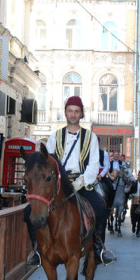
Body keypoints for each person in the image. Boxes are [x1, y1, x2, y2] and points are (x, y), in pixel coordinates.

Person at [29, 95, 116, 266]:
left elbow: (93, 165)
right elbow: (48, 163)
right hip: (59, 184)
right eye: (70, 111)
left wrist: (81, 182)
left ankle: (99, 250)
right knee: (28, 211)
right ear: (65, 113)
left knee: (99, 209)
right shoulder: (55, 137)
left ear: (81, 113)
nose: (73, 114)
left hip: (82, 182)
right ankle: (37, 251)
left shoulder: (90, 137)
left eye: (77, 111)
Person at [130, 170, 140, 237]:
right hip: (134, 202)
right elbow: (129, 190)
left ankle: (138, 231)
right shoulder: (134, 183)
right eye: (139, 175)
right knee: (133, 217)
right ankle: (133, 225)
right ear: (138, 175)